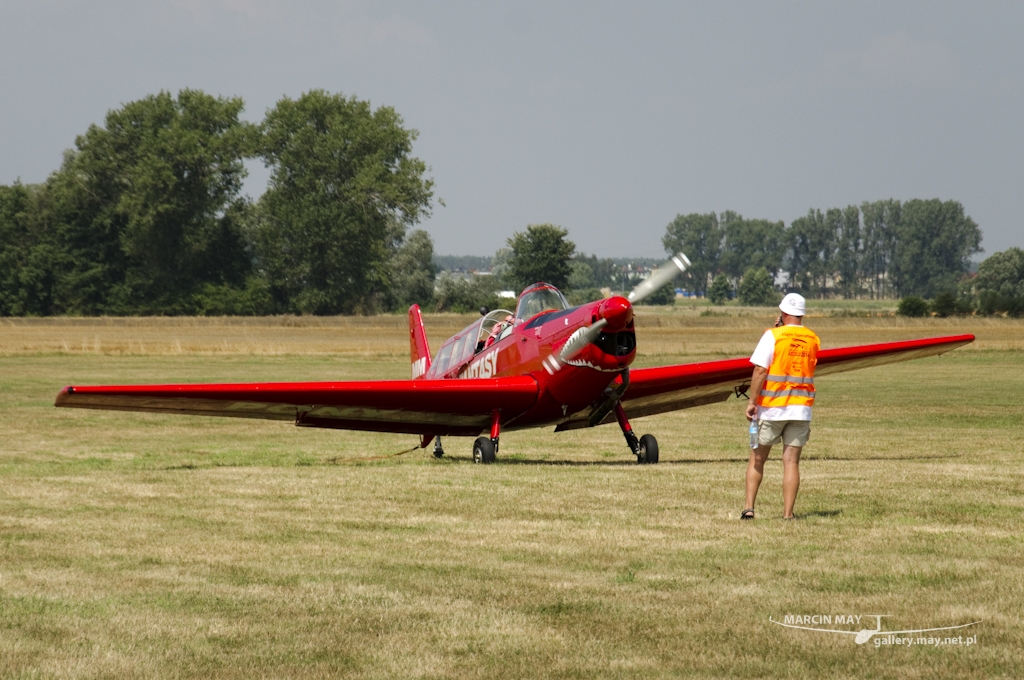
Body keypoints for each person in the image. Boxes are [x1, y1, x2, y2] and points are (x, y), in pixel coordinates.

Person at [741, 293, 819, 520]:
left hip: (772, 407)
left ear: (783, 312)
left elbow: (760, 370)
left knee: (757, 459)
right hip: (801, 408)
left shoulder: (772, 336)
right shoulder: (813, 338)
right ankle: (788, 514)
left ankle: (749, 508)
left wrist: (752, 402)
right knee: (792, 462)